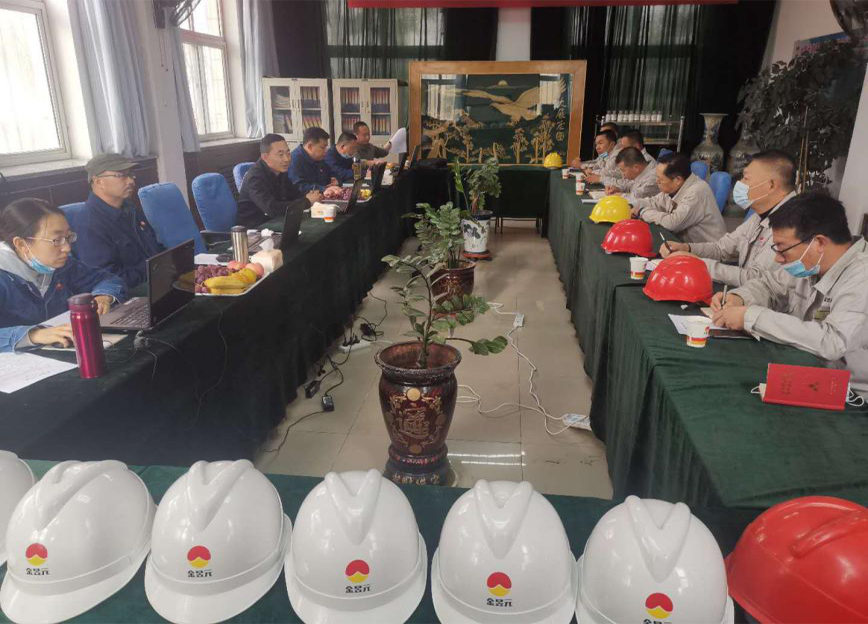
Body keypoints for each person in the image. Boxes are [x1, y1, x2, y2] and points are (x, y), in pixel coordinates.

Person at [712, 192, 868, 398]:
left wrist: (751, 317)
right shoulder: (812, 262)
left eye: (782, 249)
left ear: (819, 243)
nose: (778, 259)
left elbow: (833, 342)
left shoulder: (862, 276)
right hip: (804, 373)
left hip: (851, 396)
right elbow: (770, 286)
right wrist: (739, 298)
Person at [0, 198, 125, 353]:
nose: (67, 248)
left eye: (68, 237)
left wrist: (103, 296)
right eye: (57, 240)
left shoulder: (61, 265)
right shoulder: (4, 276)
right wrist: (34, 335)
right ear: (21, 244)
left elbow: (107, 279)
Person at [660, 150, 797, 286]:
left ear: (771, 185)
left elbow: (756, 278)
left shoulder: (791, 225)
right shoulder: (760, 215)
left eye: (746, 178)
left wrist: (698, 263)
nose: (740, 183)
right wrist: (687, 248)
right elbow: (722, 249)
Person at [69, 153, 163, 290]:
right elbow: (108, 279)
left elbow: (153, 248)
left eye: (131, 175)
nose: (130, 181)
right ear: (98, 182)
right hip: (129, 291)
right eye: (121, 175)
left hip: (155, 278)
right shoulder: (88, 224)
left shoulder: (129, 209)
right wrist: (156, 269)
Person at [631, 152, 726, 243]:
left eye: (660, 179)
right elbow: (654, 201)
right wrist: (631, 204)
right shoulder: (674, 186)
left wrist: (642, 211)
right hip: (683, 243)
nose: (657, 181)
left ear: (678, 180)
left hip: (704, 249)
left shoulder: (696, 192)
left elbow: (672, 223)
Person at [237, 134, 322, 228]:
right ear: (265, 157)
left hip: (276, 222)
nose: (287, 159)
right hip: (255, 228)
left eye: (288, 153)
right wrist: (307, 202)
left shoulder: (279, 170)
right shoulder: (254, 178)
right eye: (280, 155)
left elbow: (294, 194)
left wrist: (313, 195)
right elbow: (272, 209)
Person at [288, 127, 338, 194]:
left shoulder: (318, 157)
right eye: (323, 147)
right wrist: (323, 189)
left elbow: (331, 173)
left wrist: (335, 180)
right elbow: (299, 187)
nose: (326, 151)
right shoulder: (294, 160)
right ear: (310, 146)